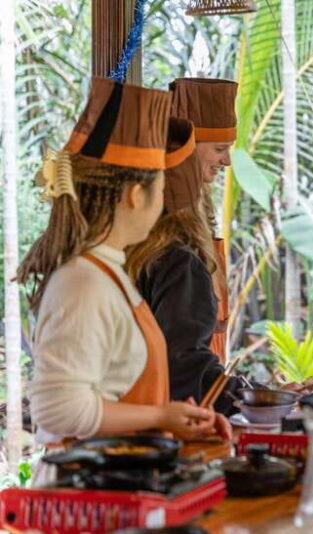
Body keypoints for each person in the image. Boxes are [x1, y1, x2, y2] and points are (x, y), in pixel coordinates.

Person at [18, 78, 230, 445]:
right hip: (85, 490)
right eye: (161, 190)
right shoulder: (82, 281)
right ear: (135, 196)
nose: (167, 203)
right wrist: (161, 415)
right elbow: (57, 410)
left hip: (120, 472)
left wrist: (173, 420)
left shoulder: (107, 271)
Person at [126, 117, 240, 415]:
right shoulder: (176, 259)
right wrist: (247, 398)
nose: (226, 161)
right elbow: (183, 366)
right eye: (218, 149)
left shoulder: (134, 250)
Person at [169, 77, 238, 361]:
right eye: (219, 149)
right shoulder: (168, 212)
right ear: (187, 147)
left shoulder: (201, 200)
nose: (227, 161)